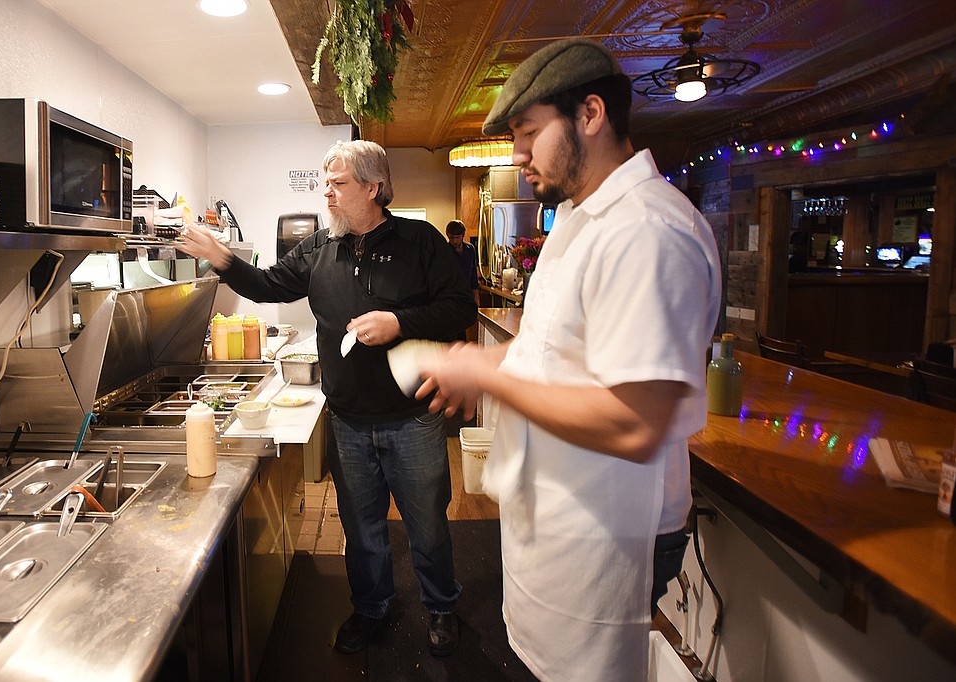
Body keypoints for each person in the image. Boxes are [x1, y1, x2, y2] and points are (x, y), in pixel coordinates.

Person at [417, 39, 721, 680]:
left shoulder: (647, 230)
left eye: (528, 132)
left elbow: (633, 422)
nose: (518, 154)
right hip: (558, 519)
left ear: (590, 114)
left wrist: (480, 372)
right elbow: (554, 358)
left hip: (609, 529)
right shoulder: (579, 222)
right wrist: (483, 367)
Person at [174, 140, 477, 657]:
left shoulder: (420, 241)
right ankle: (372, 608)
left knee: (427, 521)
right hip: (348, 420)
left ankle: (442, 606)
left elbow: (456, 308)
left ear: (373, 187)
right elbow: (268, 285)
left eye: (337, 184)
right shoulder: (319, 248)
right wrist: (219, 257)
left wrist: (399, 321)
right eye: (326, 183)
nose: (327, 193)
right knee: (361, 529)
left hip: (413, 418)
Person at [445, 219, 481, 307]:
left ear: (463, 235)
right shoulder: (445, 251)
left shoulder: (470, 249)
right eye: (451, 238)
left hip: (467, 295)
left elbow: (473, 277)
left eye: (457, 237)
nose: (454, 241)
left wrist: (476, 299)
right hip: (450, 297)